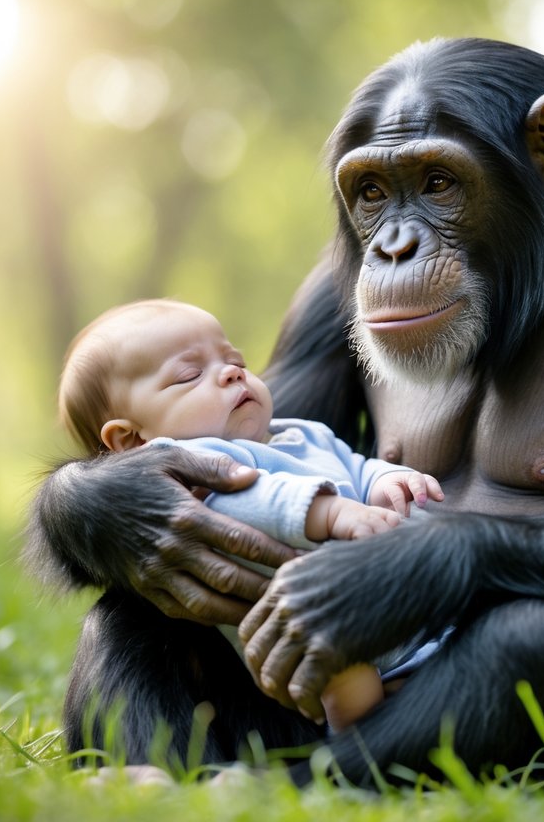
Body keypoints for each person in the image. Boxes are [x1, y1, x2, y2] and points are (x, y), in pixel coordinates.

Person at [57, 298, 444, 731]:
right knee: (335, 663)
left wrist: (385, 478)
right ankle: (360, 743)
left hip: (409, 591)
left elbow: (354, 463)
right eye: (189, 375)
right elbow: (241, 497)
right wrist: (329, 511)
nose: (232, 372)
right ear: (129, 443)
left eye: (234, 360)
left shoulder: (300, 433)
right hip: (309, 621)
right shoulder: (199, 457)